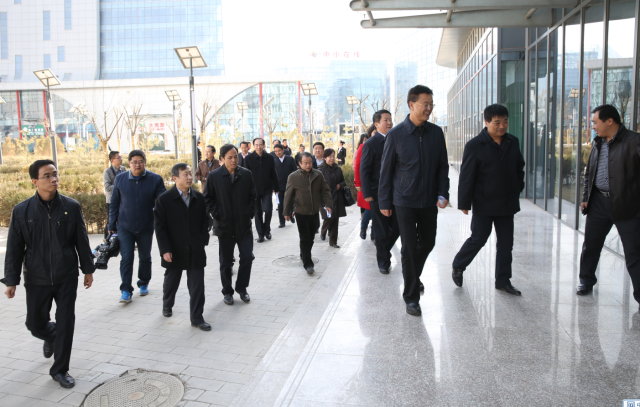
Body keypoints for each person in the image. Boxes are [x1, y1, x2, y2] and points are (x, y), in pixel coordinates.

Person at [2, 159, 95, 389]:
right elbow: (14, 248)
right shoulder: (22, 210)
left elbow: (81, 240)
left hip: (66, 275)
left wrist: (88, 269)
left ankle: (60, 370)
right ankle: (51, 335)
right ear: (35, 181)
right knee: (34, 323)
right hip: (37, 277)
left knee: (66, 323)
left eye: (55, 174)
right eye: (47, 176)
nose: (54, 179)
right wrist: (11, 280)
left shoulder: (71, 206)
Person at [378, 85, 449, 316]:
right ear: (411, 104)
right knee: (408, 248)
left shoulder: (436, 133)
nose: (429, 108)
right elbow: (386, 172)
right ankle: (411, 297)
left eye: (431, 104)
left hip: (428, 200)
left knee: (428, 242)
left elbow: (442, 166)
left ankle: (412, 276)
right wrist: (384, 202)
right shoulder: (396, 135)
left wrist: (443, 192)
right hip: (404, 201)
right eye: (425, 104)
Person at [451, 104, 525, 295]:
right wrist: (464, 202)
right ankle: (459, 265)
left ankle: (503, 280)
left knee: (506, 244)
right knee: (479, 238)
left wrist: (518, 187)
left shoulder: (513, 142)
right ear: (486, 122)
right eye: (497, 122)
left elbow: (519, 167)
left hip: (507, 203)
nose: (502, 126)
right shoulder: (475, 145)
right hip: (484, 202)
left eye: (505, 121)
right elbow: (467, 176)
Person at [578, 104, 640, 311]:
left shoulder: (634, 141)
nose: (593, 126)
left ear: (610, 121)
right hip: (598, 203)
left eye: (595, 122)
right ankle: (586, 280)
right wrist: (586, 197)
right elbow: (590, 172)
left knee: (634, 252)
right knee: (591, 245)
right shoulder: (598, 142)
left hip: (627, 205)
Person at [154, 163, 211, 331]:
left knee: (197, 285)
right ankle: (167, 304)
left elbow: (205, 221)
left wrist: (202, 239)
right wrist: (165, 250)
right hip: (174, 249)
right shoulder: (164, 200)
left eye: (190, 174)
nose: (189, 177)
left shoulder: (198, 197)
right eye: (185, 174)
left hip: (195, 248)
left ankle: (197, 318)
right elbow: (160, 228)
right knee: (171, 281)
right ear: (175, 178)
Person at [109, 150, 166, 303]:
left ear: (145, 162)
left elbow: (163, 201)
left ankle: (144, 282)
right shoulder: (120, 179)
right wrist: (111, 224)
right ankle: (126, 290)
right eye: (134, 162)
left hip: (146, 226)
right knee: (126, 258)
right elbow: (114, 203)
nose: (137, 164)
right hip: (124, 227)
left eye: (140, 161)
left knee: (145, 257)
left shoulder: (155, 179)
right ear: (129, 163)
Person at [204, 144, 256, 305]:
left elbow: (253, 195)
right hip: (224, 227)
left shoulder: (245, 174)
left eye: (235, 157)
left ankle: (242, 288)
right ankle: (227, 291)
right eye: (230, 157)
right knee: (226, 262)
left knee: (247, 257)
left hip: (243, 225)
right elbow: (207, 198)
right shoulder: (214, 176)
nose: (234, 160)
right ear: (221, 159)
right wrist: (218, 214)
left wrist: (249, 212)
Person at [361, 110, 400, 275]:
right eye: (386, 120)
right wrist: (367, 192)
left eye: (390, 120)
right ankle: (383, 262)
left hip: (397, 192)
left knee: (398, 226)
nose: (389, 123)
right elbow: (364, 169)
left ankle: (383, 249)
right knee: (382, 228)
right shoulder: (371, 143)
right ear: (376, 124)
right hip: (377, 193)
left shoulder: (397, 139)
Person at [283, 152, 333, 274]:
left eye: (310, 162)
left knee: (310, 238)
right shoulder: (293, 177)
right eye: (305, 163)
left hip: (314, 211)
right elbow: (288, 195)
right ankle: (308, 263)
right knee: (305, 237)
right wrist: (286, 212)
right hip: (300, 212)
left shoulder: (318, 175)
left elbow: (325, 191)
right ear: (299, 163)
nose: (308, 165)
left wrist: (328, 205)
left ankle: (303, 253)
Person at [244, 138, 280, 242]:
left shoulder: (269, 158)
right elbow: (245, 176)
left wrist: (276, 188)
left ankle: (267, 229)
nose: (258, 147)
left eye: (260, 145)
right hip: (254, 190)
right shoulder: (249, 158)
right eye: (256, 145)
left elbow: (273, 173)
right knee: (257, 212)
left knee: (268, 210)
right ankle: (260, 234)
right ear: (253, 146)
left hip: (267, 189)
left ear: (264, 145)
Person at [318, 148, 347, 248]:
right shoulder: (321, 170)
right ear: (325, 158)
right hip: (325, 199)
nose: (332, 158)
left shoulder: (337, 169)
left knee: (335, 220)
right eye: (329, 157)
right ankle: (323, 231)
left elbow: (343, 181)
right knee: (328, 217)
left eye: (333, 156)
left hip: (337, 197)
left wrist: (340, 185)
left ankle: (333, 242)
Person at [354, 132, 374, 241]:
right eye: (374, 132)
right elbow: (358, 166)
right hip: (368, 183)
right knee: (370, 208)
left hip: (382, 184)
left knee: (378, 209)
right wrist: (357, 183)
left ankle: (374, 233)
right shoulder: (364, 146)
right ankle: (363, 227)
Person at [273, 143, 298, 228]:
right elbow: (272, 175)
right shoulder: (274, 161)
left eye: (279, 151)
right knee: (280, 205)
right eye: (276, 151)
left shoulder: (290, 159)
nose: (278, 153)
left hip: (290, 185)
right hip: (279, 186)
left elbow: (295, 171)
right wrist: (274, 187)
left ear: (283, 150)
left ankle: (291, 215)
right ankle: (282, 222)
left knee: (290, 202)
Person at [103, 151, 126, 239]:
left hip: (123, 199)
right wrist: (119, 186)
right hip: (111, 200)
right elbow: (107, 187)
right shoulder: (107, 172)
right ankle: (107, 240)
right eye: (119, 157)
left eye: (121, 157)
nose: (121, 159)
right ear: (112, 160)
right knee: (110, 221)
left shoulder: (123, 169)